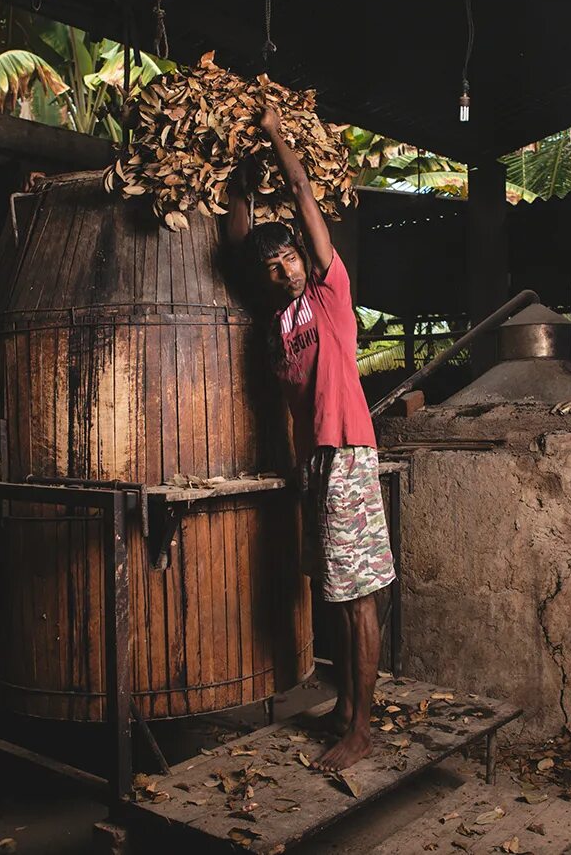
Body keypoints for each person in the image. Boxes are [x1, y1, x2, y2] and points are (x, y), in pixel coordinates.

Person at [225, 101, 395, 772]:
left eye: (291, 255)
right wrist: (235, 175)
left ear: (304, 253)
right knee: (336, 592)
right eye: (275, 266)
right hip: (317, 467)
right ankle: (348, 709)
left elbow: (301, 194)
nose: (287, 268)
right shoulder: (277, 325)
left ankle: (364, 729)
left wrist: (272, 134)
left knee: (358, 599)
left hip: (349, 452)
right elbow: (240, 244)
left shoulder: (329, 292)